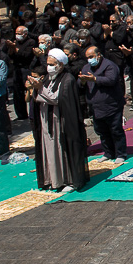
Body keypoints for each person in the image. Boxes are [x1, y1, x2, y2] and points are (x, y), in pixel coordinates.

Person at [28, 49, 89, 192]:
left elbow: (57, 99)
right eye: (48, 64)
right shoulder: (47, 79)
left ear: (60, 65)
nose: (49, 67)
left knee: (62, 150)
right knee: (48, 150)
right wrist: (37, 89)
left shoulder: (68, 79)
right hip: (46, 121)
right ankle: (52, 179)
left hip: (61, 122)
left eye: (52, 64)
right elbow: (42, 95)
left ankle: (68, 180)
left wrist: (40, 89)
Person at [79, 45, 127, 163]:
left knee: (115, 130)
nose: (90, 59)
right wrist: (83, 81)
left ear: (98, 55)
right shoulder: (86, 67)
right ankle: (108, 153)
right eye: (88, 57)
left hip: (112, 104)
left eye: (91, 57)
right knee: (101, 130)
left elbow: (111, 80)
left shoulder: (109, 65)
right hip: (96, 106)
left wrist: (95, 79)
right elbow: (79, 83)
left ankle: (120, 153)